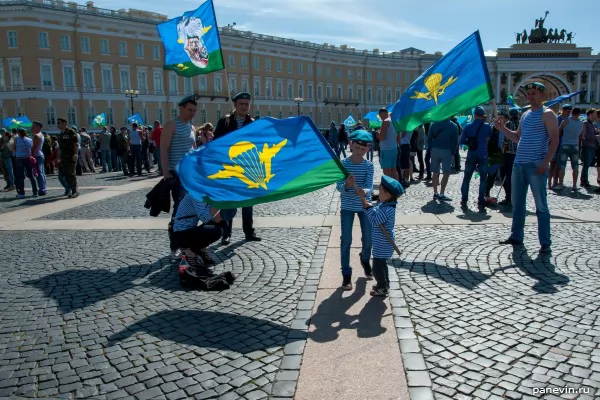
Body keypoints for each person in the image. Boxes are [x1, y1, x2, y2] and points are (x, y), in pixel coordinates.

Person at [494, 82, 559, 254]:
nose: (530, 97)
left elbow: (555, 140)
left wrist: (545, 162)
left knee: (541, 205)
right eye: (528, 94)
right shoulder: (525, 115)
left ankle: (545, 242)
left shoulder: (548, 114)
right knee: (518, 203)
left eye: (534, 93)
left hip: (536, 165)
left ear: (542, 96)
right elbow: (517, 138)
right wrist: (502, 128)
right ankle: (516, 236)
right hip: (519, 164)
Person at [213, 92, 262, 243]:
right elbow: (216, 143)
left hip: (248, 168)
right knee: (229, 201)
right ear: (235, 105)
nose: (244, 107)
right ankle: (226, 233)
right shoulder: (225, 121)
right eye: (241, 104)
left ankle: (249, 232)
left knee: (248, 202)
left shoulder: (253, 122)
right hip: (230, 168)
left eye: (246, 104)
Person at [335, 130, 375, 290]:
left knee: (368, 239)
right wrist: (347, 185)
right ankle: (346, 274)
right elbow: (338, 186)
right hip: (347, 208)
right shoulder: (343, 165)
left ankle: (365, 259)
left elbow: (370, 185)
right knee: (346, 240)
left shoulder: (369, 165)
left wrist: (364, 191)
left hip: (364, 206)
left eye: (363, 149)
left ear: (368, 149)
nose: (359, 152)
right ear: (351, 145)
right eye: (357, 148)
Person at [161, 95, 198, 260]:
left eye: (194, 110)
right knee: (179, 209)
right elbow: (163, 149)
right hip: (176, 174)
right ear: (181, 108)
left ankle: (188, 242)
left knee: (194, 208)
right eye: (190, 110)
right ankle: (174, 245)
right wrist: (165, 172)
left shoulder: (192, 127)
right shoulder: (171, 125)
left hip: (191, 174)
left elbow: (194, 150)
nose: (192, 113)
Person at [356, 175, 404, 297]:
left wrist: (367, 208)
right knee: (382, 265)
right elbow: (376, 208)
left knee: (377, 268)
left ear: (387, 195)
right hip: (381, 242)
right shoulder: (386, 205)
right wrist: (368, 203)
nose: (378, 193)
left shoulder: (387, 209)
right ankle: (385, 285)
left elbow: (375, 221)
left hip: (383, 243)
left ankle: (382, 287)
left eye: (381, 191)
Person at [172, 192, 223, 277]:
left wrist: (226, 210)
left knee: (222, 224)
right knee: (216, 231)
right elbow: (205, 218)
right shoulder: (195, 194)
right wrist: (220, 204)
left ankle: (200, 250)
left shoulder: (207, 195)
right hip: (181, 233)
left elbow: (213, 219)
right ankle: (190, 251)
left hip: (190, 230)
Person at [460, 106, 493, 208]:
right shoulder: (487, 127)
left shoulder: (468, 127)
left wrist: (469, 145)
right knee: (483, 179)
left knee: (467, 178)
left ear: (474, 115)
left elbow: (461, 143)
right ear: (483, 116)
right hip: (483, 154)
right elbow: (490, 138)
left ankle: (464, 200)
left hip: (471, 154)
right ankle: (481, 200)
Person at [428, 118, 458, 201]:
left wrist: (430, 149)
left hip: (435, 150)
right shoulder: (453, 126)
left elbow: (429, 138)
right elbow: (455, 141)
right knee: (446, 172)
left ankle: (435, 192)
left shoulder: (433, 124)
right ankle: (441, 193)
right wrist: (453, 151)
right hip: (447, 150)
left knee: (435, 172)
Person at [557, 107, 584, 191]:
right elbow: (582, 136)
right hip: (575, 146)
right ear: (579, 114)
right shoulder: (582, 123)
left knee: (562, 166)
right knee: (575, 166)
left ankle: (560, 184)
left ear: (572, 112)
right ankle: (574, 185)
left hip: (564, 144)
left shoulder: (566, 120)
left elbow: (559, 130)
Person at [499, 108, 520, 206]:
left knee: (505, 175)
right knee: (514, 176)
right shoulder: (520, 123)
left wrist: (502, 151)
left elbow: (506, 140)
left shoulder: (508, 124)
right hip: (518, 153)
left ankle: (508, 197)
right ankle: (514, 196)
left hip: (509, 153)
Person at [56, 117, 79, 198]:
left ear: (64, 123)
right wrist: (58, 158)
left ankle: (74, 191)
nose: (57, 124)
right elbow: (59, 148)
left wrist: (75, 154)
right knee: (62, 175)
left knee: (71, 174)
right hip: (63, 157)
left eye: (59, 123)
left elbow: (75, 144)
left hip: (70, 156)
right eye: (57, 123)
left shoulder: (71, 132)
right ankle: (68, 189)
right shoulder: (60, 134)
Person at [12, 127, 38, 198]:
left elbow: (13, 148)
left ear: (18, 133)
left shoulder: (16, 140)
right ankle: (35, 192)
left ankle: (22, 193)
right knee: (31, 176)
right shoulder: (30, 140)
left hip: (19, 159)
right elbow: (32, 148)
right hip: (28, 158)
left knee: (20, 177)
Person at [378, 108, 399, 181]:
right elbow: (398, 137)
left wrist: (377, 134)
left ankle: (389, 189)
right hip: (394, 148)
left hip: (386, 149)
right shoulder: (394, 121)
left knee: (386, 171)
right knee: (394, 170)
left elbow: (382, 137)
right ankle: (396, 187)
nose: (381, 117)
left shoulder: (385, 122)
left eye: (380, 116)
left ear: (381, 114)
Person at [30, 121, 47, 196]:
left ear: (38, 127)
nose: (32, 127)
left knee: (39, 173)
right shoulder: (40, 135)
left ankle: (42, 189)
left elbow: (34, 147)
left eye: (34, 126)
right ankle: (43, 188)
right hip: (39, 154)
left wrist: (32, 156)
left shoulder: (37, 136)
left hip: (37, 155)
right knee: (41, 173)